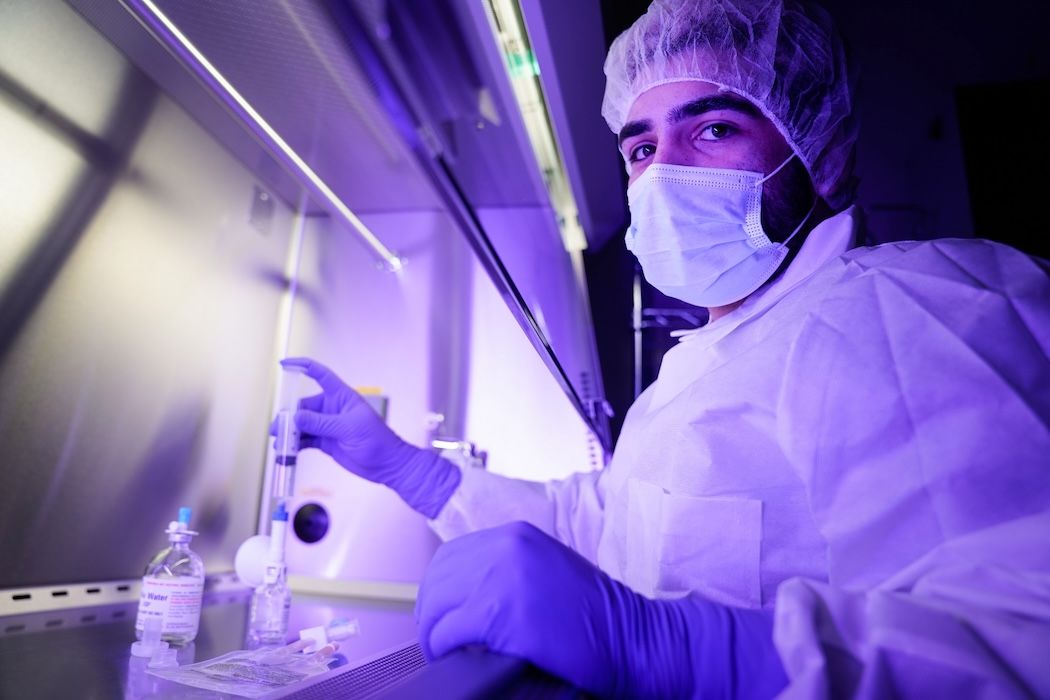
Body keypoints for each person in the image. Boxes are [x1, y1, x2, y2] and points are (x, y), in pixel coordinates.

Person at [277, 0, 1050, 696]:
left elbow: (1022, 637)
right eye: (641, 148)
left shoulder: (901, 310)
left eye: (714, 130)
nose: (665, 176)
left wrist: (678, 649)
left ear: (825, 155)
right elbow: (606, 525)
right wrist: (408, 470)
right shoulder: (707, 362)